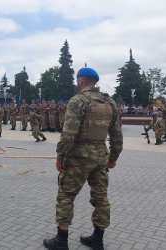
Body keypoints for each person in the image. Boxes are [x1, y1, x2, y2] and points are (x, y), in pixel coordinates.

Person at [43, 67, 123, 250]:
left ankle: (61, 241)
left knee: (66, 195)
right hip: (100, 156)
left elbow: (68, 133)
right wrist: (114, 156)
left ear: (81, 81)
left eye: (77, 80)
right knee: (101, 197)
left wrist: (61, 156)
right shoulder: (110, 102)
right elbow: (117, 134)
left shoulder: (78, 100)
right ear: (95, 82)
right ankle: (97, 239)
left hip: (78, 157)